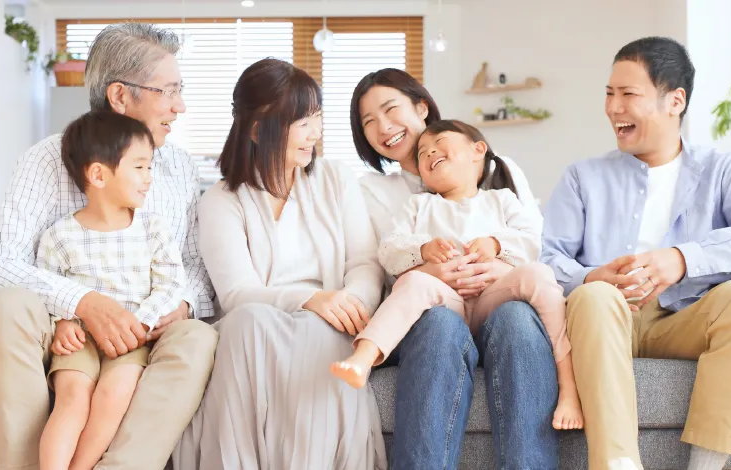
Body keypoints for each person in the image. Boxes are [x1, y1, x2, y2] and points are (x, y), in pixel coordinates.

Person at [540, 36, 731, 470]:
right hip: (603, 318)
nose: (613, 107)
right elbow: (549, 260)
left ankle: (706, 466)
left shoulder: (722, 170)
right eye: (609, 94)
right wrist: (592, 277)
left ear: (675, 100)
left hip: (686, 317)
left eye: (628, 94)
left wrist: (683, 258)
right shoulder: (583, 177)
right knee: (595, 296)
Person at [0, 23, 219, 470]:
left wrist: (182, 303)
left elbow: (193, 265)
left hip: (146, 327)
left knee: (198, 336)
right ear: (121, 96)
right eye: (169, 91)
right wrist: (83, 303)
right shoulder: (47, 159)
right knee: (7, 306)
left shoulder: (179, 167)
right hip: (63, 329)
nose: (179, 106)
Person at [171, 58, 386, 469]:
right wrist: (310, 298)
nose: (315, 134)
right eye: (303, 122)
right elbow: (236, 294)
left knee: (319, 329)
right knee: (251, 322)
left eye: (317, 118)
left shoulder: (336, 179)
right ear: (257, 129)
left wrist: (348, 303)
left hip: (330, 318)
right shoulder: (221, 199)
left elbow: (365, 262)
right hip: (259, 319)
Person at [350, 69, 559, 468]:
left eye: (391, 109)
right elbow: (377, 263)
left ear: (422, 107)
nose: (384, 127)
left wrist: (500, 267)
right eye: (369, 122)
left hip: (496, 304)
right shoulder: (374, 192)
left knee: (517, 317)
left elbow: (533, 244)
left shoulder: (500, 175)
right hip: (427, 313)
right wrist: (426, 268)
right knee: (441, 325)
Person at [332, 119, 583, 431]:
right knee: (412, 282)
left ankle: (569, 386)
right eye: (422, 153)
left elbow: (531, 241)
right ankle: (364, 357)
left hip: (494, 302)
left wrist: (495, 244)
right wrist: (423, 250)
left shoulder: (500, 199)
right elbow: (389, 250)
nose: (429, 153)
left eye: (439, 143)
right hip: (446, 305)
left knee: (540, 274)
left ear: (478, 150)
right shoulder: (418, 205)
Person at [36, 111, 189, 470]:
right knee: (72, 398)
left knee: (114, 394)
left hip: (133, 339)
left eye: (150, 167)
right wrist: (61, 323)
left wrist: (138, 324)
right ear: (99, 174)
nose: (149, 179)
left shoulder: (153, 228)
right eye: (139, 168)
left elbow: (170, 283)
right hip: (80, 341)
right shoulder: (60, 235)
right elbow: (47, 286)